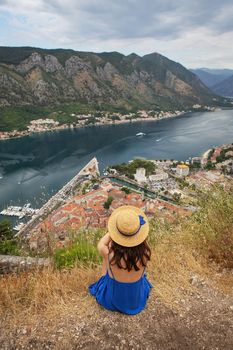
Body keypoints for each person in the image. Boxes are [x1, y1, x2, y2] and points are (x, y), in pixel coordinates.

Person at [89, 205, 152, 315]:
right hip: (137, 299)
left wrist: (115, 231)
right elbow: (143, 240)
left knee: (106, 258)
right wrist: (134, 233)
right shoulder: (146, 252)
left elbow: (101, 244)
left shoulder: (109, 254)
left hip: (113, 300)